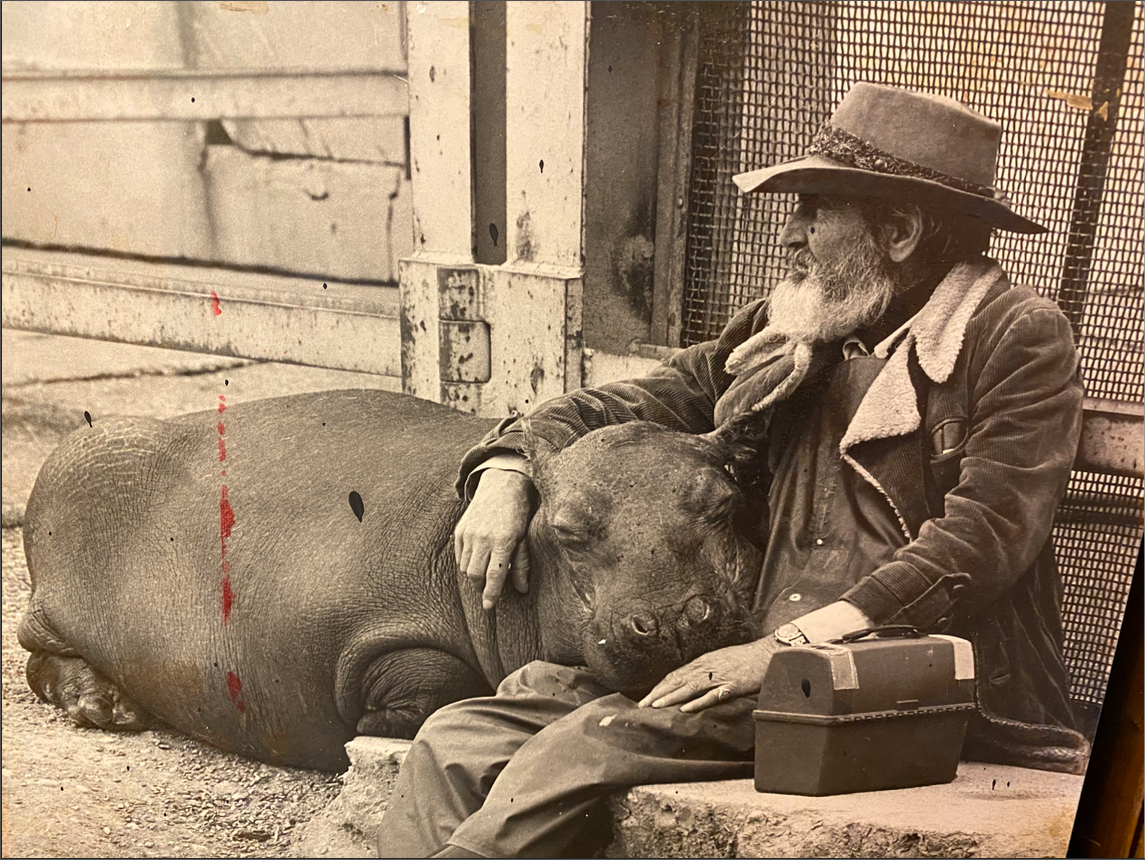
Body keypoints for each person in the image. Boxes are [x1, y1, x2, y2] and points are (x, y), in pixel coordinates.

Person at [375, 82, 1089, 859]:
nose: (789, 235)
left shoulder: (1014, 336)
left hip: (922, 681)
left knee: (579, 745)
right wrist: (512, 464)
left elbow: (983, 538)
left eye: (813, 210)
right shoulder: (795, 325)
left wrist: (786, 649)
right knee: (460, 733)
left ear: (900, 229)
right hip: (764, 661)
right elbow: (636, 400)